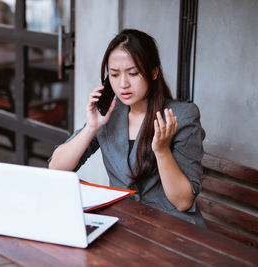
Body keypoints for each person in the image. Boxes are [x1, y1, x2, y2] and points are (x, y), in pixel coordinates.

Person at [48, 29, 206, 227]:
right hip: (125, 224)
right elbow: (56, 168)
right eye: (114, 74)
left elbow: (183, 202)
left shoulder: (181, 116)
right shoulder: (109, 115)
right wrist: (92, 127)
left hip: (172, 228)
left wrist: (162, 151)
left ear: (154, 72)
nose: (123, 84)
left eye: (133, 73)